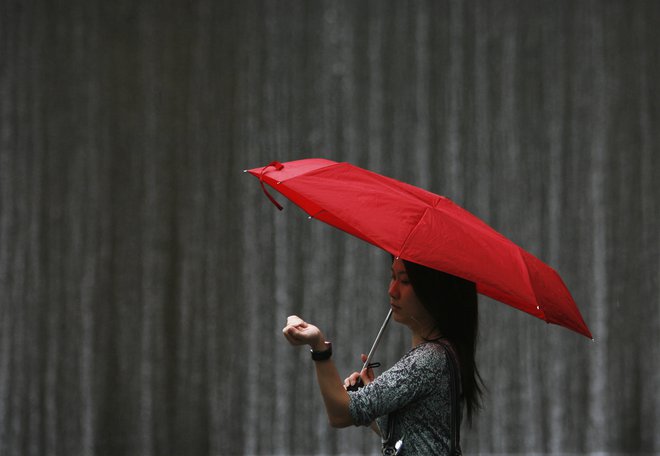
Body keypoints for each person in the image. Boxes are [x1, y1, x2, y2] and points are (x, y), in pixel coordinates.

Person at [283, 257, 484, 455]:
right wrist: (372, 395)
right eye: (392, 277)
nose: (392, 290)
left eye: (404, 281)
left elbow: (341, 414)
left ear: (434, 290)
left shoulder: (429, 359)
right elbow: (412, 434)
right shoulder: (442, 353)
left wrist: (319, 347)